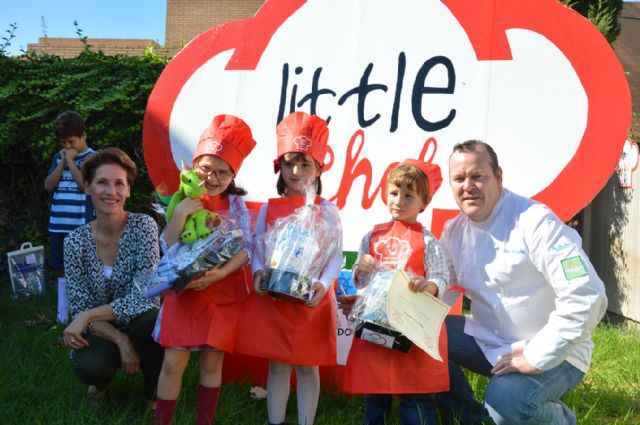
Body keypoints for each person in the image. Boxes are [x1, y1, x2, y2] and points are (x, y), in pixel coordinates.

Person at [435, 140, 608, 425]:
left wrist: (537, 356)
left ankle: (562, 421)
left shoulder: (536, 222)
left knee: (505, 405)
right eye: (459, 178)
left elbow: (587, 293)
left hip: (556, 348)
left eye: (477, 176)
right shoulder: (454, 230)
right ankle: (472, 418)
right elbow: (442, 285)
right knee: (423, 339)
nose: (468, 186)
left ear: (498, 176)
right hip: (487, 338)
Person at [235, 111, 343, 425]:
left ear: (319, 168)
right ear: (279, 167)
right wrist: (258, 272)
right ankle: (276, 421)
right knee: (277, 364)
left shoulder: (328, 211)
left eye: (305, 164)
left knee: (308, 366)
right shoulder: (269, 209)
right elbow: (257, 247)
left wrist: (323, 284)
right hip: (275, 298)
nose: (296, 172)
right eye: (289, 163)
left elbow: (335, 256)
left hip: (311, 300)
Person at [153, 115, 257, 425]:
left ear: (233, 175)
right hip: (183, 292)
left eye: (223, 172)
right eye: (207, 169)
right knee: (173, 363)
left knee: (212, 363)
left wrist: (221, 273)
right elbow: (167, 244)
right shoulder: (182, 199)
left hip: (221, 292)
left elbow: (247, 249)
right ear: (193, 166)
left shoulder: (236, 205)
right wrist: (181, 214)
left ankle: (205, 420)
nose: (213, 178)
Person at [339, 160, 450, 425]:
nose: (399, 201)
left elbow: (442, 277)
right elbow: (361, 281)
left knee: (415, 393)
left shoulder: (428, 241)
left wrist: (429, 285)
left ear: (423, 203)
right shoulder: (372, 236)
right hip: (375, 326)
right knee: (375, 390)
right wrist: (361, 270)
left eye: (408, 195)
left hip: (411, 330)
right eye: (394, 192)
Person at [62, 147, 164, 405]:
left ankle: (154, 394)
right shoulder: (74, 242)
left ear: (128, 190)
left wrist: (87, 316)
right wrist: (121, 340)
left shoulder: (144, 226)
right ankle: (100, 384)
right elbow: (81, 306)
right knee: (90, 366)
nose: (111, 191)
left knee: (155, 321)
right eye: (102, 182)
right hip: (102, 330)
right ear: (87, 187)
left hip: (140, 321)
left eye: (119, 183)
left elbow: (146, 295)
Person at [44, 110, 96, 324]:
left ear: (83, 135)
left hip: (81, 224)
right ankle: (62, 315)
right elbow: (49, 185)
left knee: (84, 267)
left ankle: (85, 313)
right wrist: (62, 162)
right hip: (59, 224)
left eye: (72, 142)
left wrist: (72, 162)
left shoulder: (93, 158)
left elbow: (85, 186)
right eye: (64, 143)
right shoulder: (60, 157)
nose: (67, 147)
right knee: (62, 268)